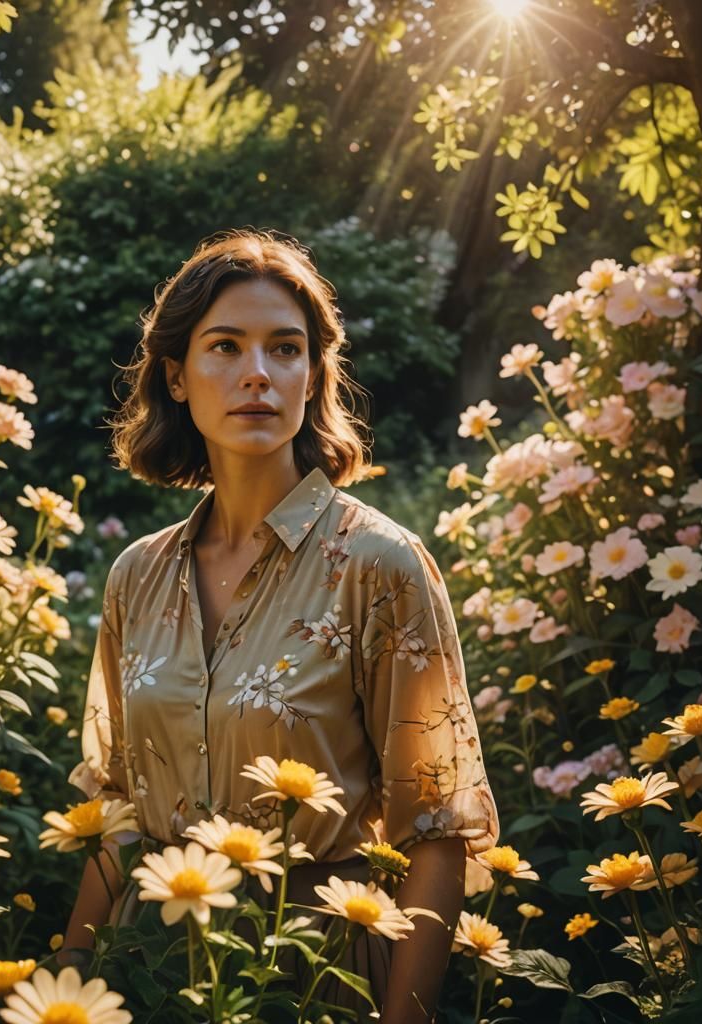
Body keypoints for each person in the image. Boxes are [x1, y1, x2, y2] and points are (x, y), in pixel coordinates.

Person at [63, 228, 499, 1022]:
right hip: (150, 974)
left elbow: (436, 831)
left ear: (313, 376)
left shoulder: (380, 567)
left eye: (285, 350)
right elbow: (118, 812)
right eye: (225, 347)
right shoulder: (137, 575)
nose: (257, 375)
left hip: (312, 975)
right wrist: (66, 982)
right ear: (178, 376)